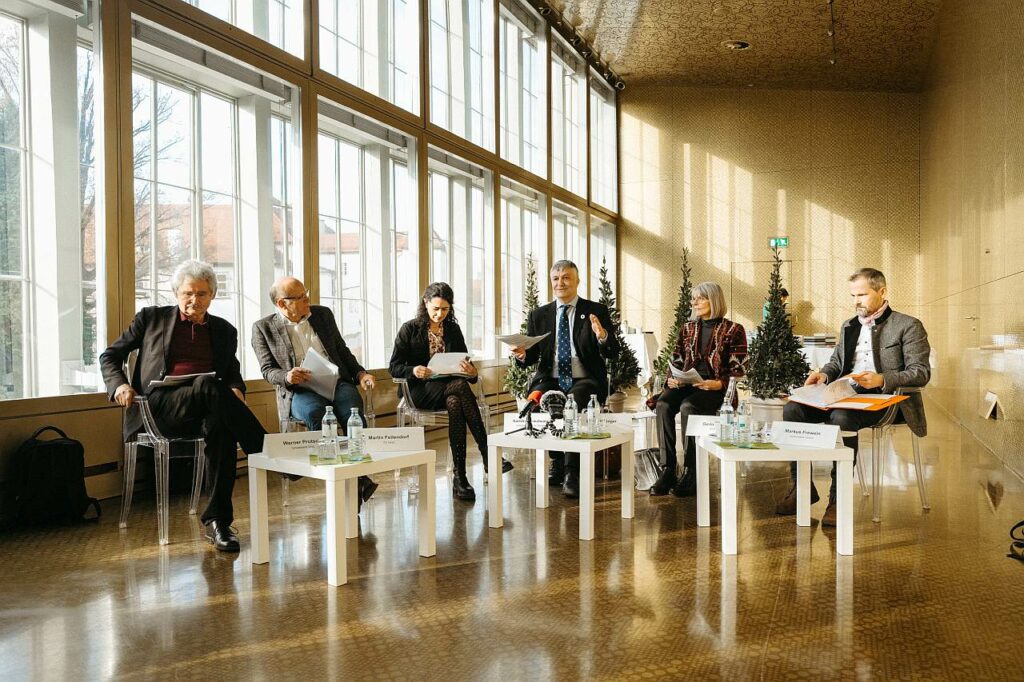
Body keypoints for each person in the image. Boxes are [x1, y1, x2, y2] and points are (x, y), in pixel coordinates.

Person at [100, 260, 266, 552]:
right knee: (208, 385)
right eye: (188, 293)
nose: (194, 300)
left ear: (212, 295)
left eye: (202, 294)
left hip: (204, 408)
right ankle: (266, 449)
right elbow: (110, 356)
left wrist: (236, 388)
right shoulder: (151, 318)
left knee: (221, 426)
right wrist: (120, 385)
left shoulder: (224, 330)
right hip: (159, 408)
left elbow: (231, 374)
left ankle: (218, 523)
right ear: (176, 293)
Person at [777, 268, 931, 526]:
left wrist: (883, 378)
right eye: (853, 295)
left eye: (862, 294)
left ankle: (838, 499)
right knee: (793, 410)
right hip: (846, 393)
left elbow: (921, 372)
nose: (856, 301)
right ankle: (802, 487)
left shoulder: (908, 325)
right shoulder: (849, 325)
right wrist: (823, 375)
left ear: (882, 292)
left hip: (886, 399)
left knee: (842, 416)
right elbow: (837, 362)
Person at [251, 276, 378, 506]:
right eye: (300, 297)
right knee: (315, 414)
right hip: (299, 391)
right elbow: (268, 370)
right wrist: (287, 376)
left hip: (336, 382)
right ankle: (352, 481)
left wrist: (361, 374)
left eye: (305, 293)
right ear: (282, 304)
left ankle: (353, 480)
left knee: (353, 412)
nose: (307, 299)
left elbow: (342, 350)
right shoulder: (263, 328)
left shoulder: (322, 315)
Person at [389, 283, 511, 502]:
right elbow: (394, 367)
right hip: (419, 391)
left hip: (449, 389)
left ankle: (460, 478)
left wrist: (472, 371)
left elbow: (465, 366)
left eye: (445, 309)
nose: (439, 314)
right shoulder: (409, 329)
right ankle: (487, 454)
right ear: (425, 303)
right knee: (460, 389)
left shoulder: (452, 329)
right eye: (435, 308)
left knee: (456, 401)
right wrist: (413, 370)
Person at [511, 260, 620, 498]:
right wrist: (522, 354)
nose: (561, 283)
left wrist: (602, 336)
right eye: (556, 279)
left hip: (586, 379)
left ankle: (572, 471)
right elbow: (531, 356)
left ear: (577, 281)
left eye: (566, 278)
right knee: (548, 402)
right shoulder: (539, 315)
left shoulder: (596, 311)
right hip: (550, 378)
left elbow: (612, 351)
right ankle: (557, 461)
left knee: (572, 401)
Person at [648, 282, 747, 497]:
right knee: (664, 403)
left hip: (715, 389)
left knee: (689, 406)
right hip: (688, 382)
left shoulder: (734, 330)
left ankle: (692, 471)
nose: (694, 302)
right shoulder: (687, 328)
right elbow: (675, 359)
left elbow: (738, 367)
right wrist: (673, 379)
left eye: (700, 298)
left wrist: (718, 383)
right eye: (694, 299)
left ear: (714, 300)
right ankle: (667, 469)